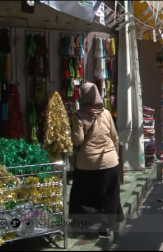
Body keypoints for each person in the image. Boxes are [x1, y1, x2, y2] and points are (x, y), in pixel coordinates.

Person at [69, 82, 124, 237]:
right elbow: (114, 136)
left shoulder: (78, 116)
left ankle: (82, 225)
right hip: (109, 161)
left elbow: (78, 140)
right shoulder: (106, 113)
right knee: (108, 194)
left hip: (87, 163)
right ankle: (106, 226)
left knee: (83, 195)